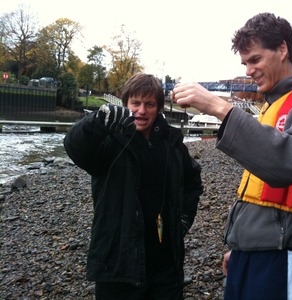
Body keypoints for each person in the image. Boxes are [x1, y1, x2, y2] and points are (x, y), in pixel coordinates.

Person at [172, 12, 292, 300]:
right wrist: (243, 245)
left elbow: (288, 163)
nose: (248, 70)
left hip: (282, 257)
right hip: (251, 255)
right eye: (245, 63)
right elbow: (260, 190)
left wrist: (220, 108)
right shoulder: (272, 106)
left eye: (255, 60)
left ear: (282, 49)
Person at [64, 73, 203, 299]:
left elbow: (192, 180)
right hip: (118, 263)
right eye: (135, 103)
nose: (141, 110)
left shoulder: (172, 142)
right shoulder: (109, 141)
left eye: (149, 104)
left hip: (165, 264)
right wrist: (96, 122)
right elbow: (75, 146)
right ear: (126, 104)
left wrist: (184, 218)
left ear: (158, 108)